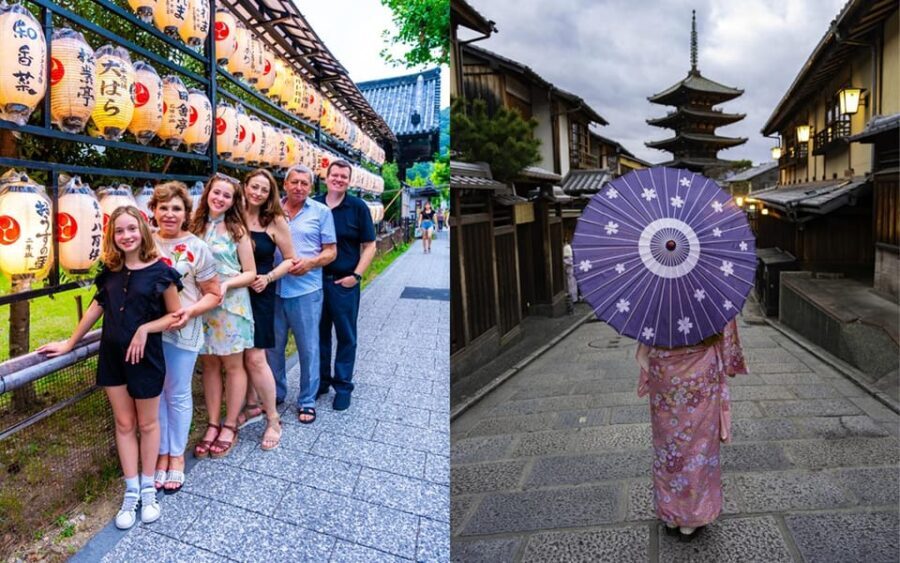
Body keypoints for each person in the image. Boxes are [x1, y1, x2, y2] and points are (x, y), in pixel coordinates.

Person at [39, 206, 182, 529]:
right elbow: (96, 307)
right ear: (112, 236)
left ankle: (149, 489)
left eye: (132, 228)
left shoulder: (162, 271)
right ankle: (131, 490)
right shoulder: (111, 271)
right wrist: (69, 343)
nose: (126, 235)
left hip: (146, 358)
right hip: (112, 357)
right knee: (123, 422)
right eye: (119, 231)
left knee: (148, 424)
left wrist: (145, 329)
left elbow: (176, 317)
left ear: (142, 230)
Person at [635, 318, 746, 537]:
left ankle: (670, 513)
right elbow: (727, 341)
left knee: (669, 449)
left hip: (665, 375)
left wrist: (659, 374)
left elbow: (642, 352)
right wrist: (729, 364)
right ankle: (693, 517)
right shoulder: (711, 300)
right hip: (701, 373)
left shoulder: (657, 301)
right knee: (698, 448)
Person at [149, 182, 221, 493]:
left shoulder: (197, 247)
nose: (169, 214)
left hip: (183, 330)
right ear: (153, 210)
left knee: (177, 393)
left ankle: (176, 455)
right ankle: (160, 453)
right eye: (163, 207)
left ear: (186, 213)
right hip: (149, 330)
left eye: (176, 208)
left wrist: (190, 312)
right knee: (155, 394)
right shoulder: (145, 242)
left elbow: (214, 294)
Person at [190, 173, 256, 459]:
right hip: (201, 305)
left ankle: (230, 424)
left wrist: (227, 285)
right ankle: (213, 423)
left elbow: (250, 272)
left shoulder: (237, 230)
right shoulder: (193, 226)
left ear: (233, 201)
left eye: (226, 196)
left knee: (232, 364)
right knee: (209, 364)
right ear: (207, 193)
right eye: (216, 193)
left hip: (230, 305)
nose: (220, 199)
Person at [266, 164, 336, 424]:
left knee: (308, 348)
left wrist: (311, 263)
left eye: (304, 183)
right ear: (285, 184)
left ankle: (307, 399)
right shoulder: (272, 210)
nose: (298, 187)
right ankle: (276, 393)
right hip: (274, 288)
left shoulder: (321, 212)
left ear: (311, 187)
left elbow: (331, 251)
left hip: (306, 289)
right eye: (294, 182)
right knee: (273, 348)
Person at [239, 168, 295, 449]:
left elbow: (290, 259)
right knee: (238, 356)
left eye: (264, 189)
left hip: (260, 291)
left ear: (270, 193)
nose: (258, 193)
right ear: (245, 187)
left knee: (256, 357)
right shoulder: (233, 216)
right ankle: (250, 406)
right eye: (254, 187)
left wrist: (269, 277)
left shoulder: (274, 220)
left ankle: (273, 419)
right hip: (233, 293)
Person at [314, 159, 376, 411]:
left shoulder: (358, 207)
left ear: (349, 181)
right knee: (318, 334)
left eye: (343, 176)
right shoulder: (314, 204)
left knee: (346, 335)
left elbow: (370, 245)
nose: (338, 179)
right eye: (335, 175)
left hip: (345, 283)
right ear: (326, 177)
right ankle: (320, 382)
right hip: (316, 281)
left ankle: (343, 386)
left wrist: (356, 276)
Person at [563, 237, 577, 312]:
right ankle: (573, 299)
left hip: (570, 270)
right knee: (571, 285)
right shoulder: (568, 247)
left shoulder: (567, 248)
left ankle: (573, 299)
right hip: (570, 270)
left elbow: (568, 260)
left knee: (571, 285)